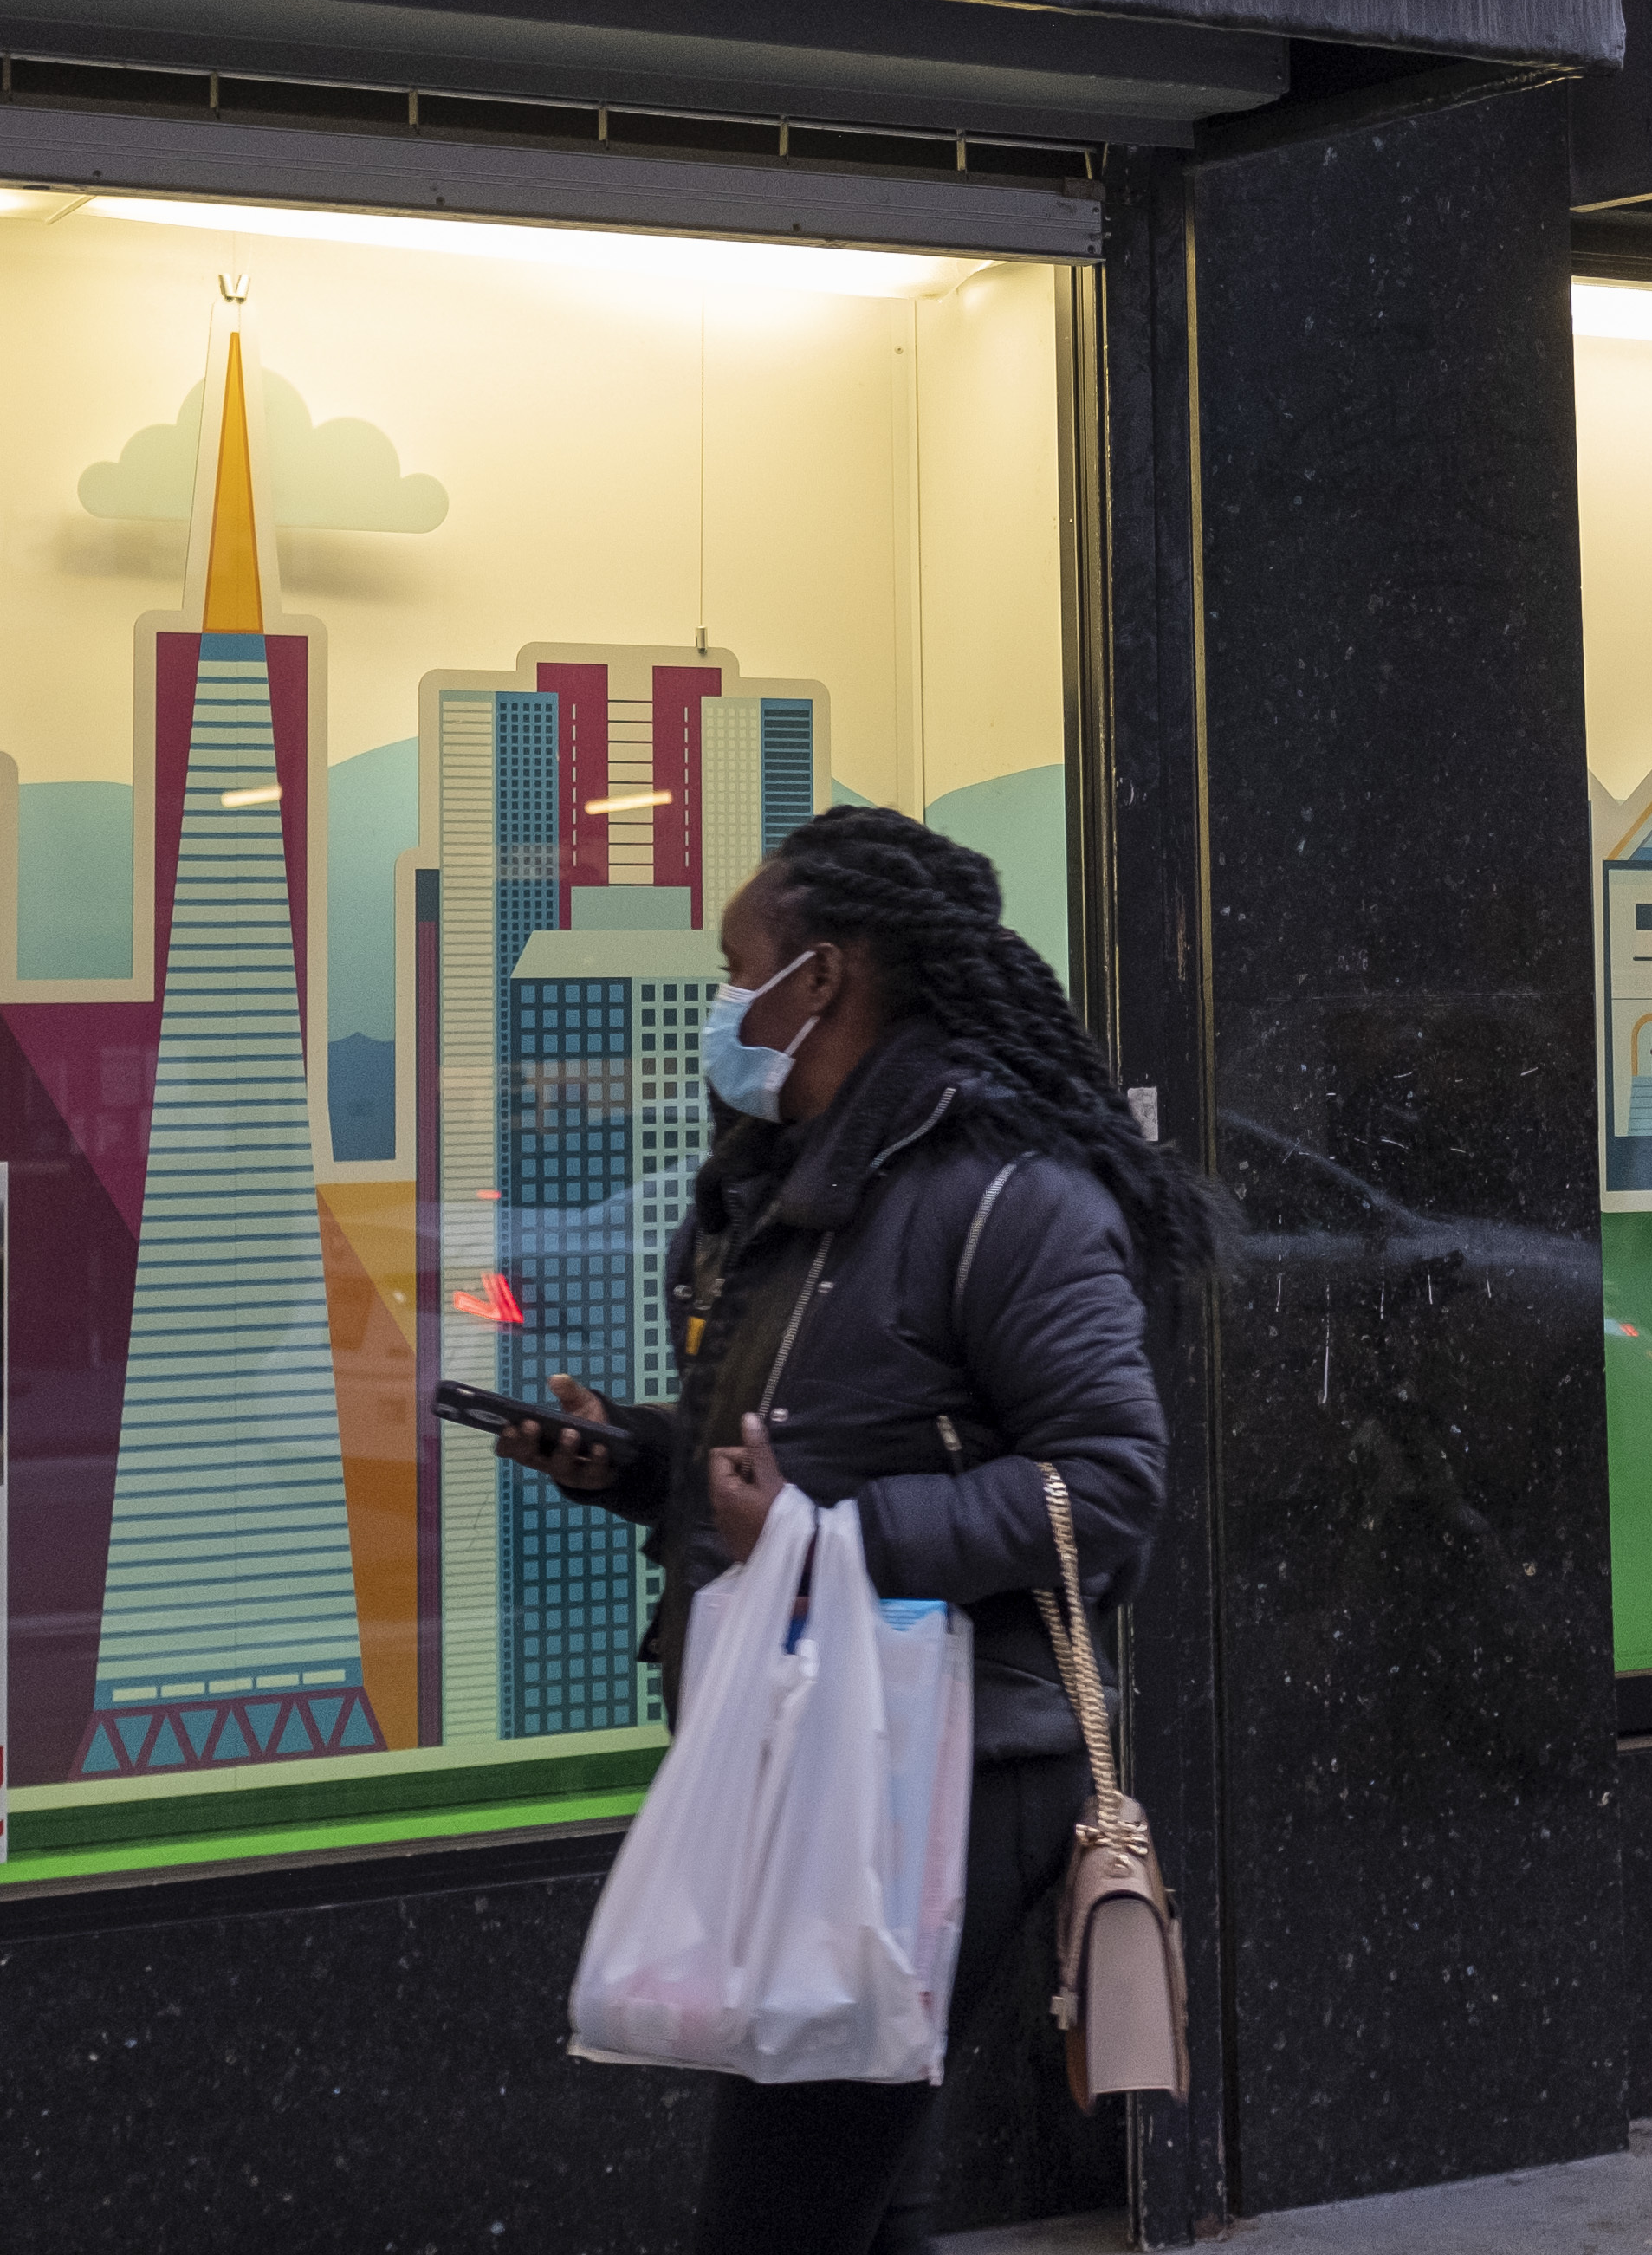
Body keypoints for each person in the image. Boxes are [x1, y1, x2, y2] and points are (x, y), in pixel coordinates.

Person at [507, 803, 1215, 2255]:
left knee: (787, 2205)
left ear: (818, 978)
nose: (722, 1002)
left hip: (939, 1765)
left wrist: (837, 1536)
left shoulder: (1007, 1196)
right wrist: (633, 1458)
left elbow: (1111, 1486)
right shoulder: (788, 1188)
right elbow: (788, 1458)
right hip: (815, 1746)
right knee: (863, 2193)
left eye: (737, 964)